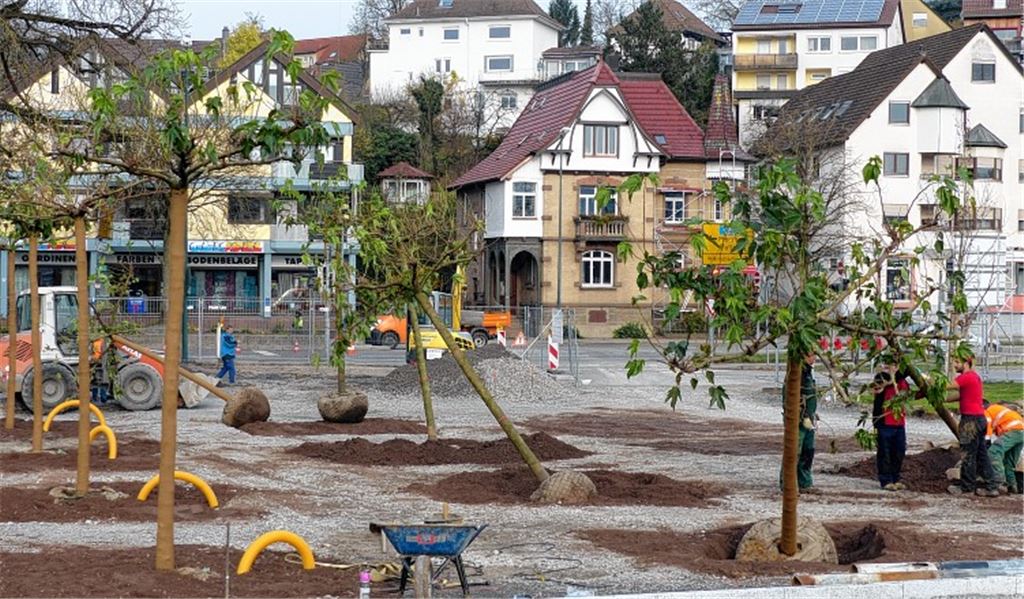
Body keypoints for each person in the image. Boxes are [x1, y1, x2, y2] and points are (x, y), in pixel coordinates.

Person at [947, 355, 998, 497]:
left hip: (970, 421)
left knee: (967, 455)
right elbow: (960, 396)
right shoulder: (974, 377)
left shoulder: (966, 377)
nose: (955, 365)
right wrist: (941, 399)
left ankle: (967, 488)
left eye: (957, 362)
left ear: (966, 363)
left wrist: (929, 382)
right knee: (982, 455)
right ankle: (991, 486)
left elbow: (946, 385)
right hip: (980, 420)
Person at [781, 354, 818, 492]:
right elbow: (789, 397)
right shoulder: (795, 373)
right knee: (794, 451)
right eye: (810, 355)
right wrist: (800, 416)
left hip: (809, 418)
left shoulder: (808, 372)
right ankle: (788, 483)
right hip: (797, 420)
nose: (813, 358)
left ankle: (804, 482)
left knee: (808, 451)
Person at [872, 370, 909, 490]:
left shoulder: (902, 382)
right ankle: (886, 480)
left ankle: (895, 478)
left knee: (899, 452)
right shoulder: (883, 377)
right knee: (885, 453)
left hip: (899, 423)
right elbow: (878, 387)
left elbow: (908, 394)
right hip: (884, 423)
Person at [984, 401, 1024, 494]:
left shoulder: (986, 411)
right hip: (1021, 433)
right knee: (1008, 462)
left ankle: (999, 484)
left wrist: (987, 443)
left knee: (993, 452)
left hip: (1012, 431)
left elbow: (988, 430)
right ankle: (1012, 486)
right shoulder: (997, 409)